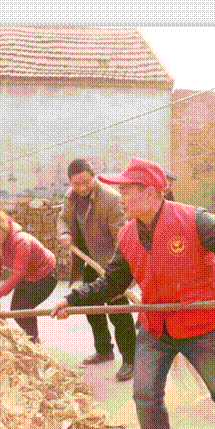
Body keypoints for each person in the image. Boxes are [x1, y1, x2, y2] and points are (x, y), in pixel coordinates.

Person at [51, 158, 215, 429]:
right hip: (155, 326)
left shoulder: (193, 220)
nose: (120, 199)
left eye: (126, 192)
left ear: (150, 193)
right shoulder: (127, 235)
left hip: (200, 326)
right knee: (145, 395)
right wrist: (73, 299)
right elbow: (112, 282)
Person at [56, 158, 136, 381]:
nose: (82, 188)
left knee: (118, 311)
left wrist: (118, 271)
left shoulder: (111, 199)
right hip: (90, 261)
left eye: (86, 182)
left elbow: (122, 238)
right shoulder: (70, 197)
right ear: (70, 182)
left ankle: (130, 359)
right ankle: (104, 350)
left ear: (94, 176)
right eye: (76, 184)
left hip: (111, 263)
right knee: (91, 307)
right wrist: (65, 232)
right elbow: (62, 219)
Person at [0, 210, 57, 343]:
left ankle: (33, 340)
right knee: (16, 310)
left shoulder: (20, 241)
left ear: (3, 232)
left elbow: (18, 273)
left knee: (22, 309)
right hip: (27, 276)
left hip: (46, 275)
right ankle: (33, 338)